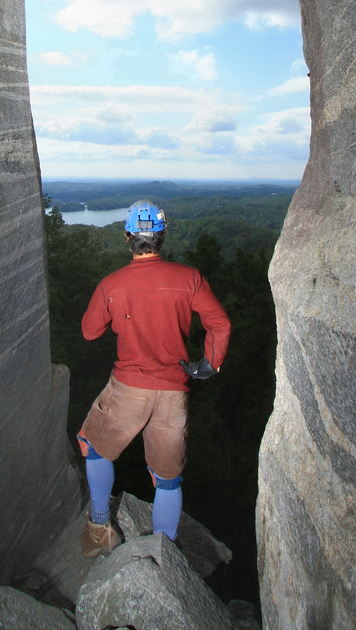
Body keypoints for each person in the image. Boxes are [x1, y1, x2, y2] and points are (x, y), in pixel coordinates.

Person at [76, 199, 231, 558]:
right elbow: (219, 323)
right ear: (161, 235)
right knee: (167, 477)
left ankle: (100, 529)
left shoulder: (112, 284)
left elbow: (88, 331)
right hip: (173, 391)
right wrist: (209, 363)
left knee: (94, 446)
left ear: (127, 236)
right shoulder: (188, 278)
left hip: (129, 387)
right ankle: (162, 556)